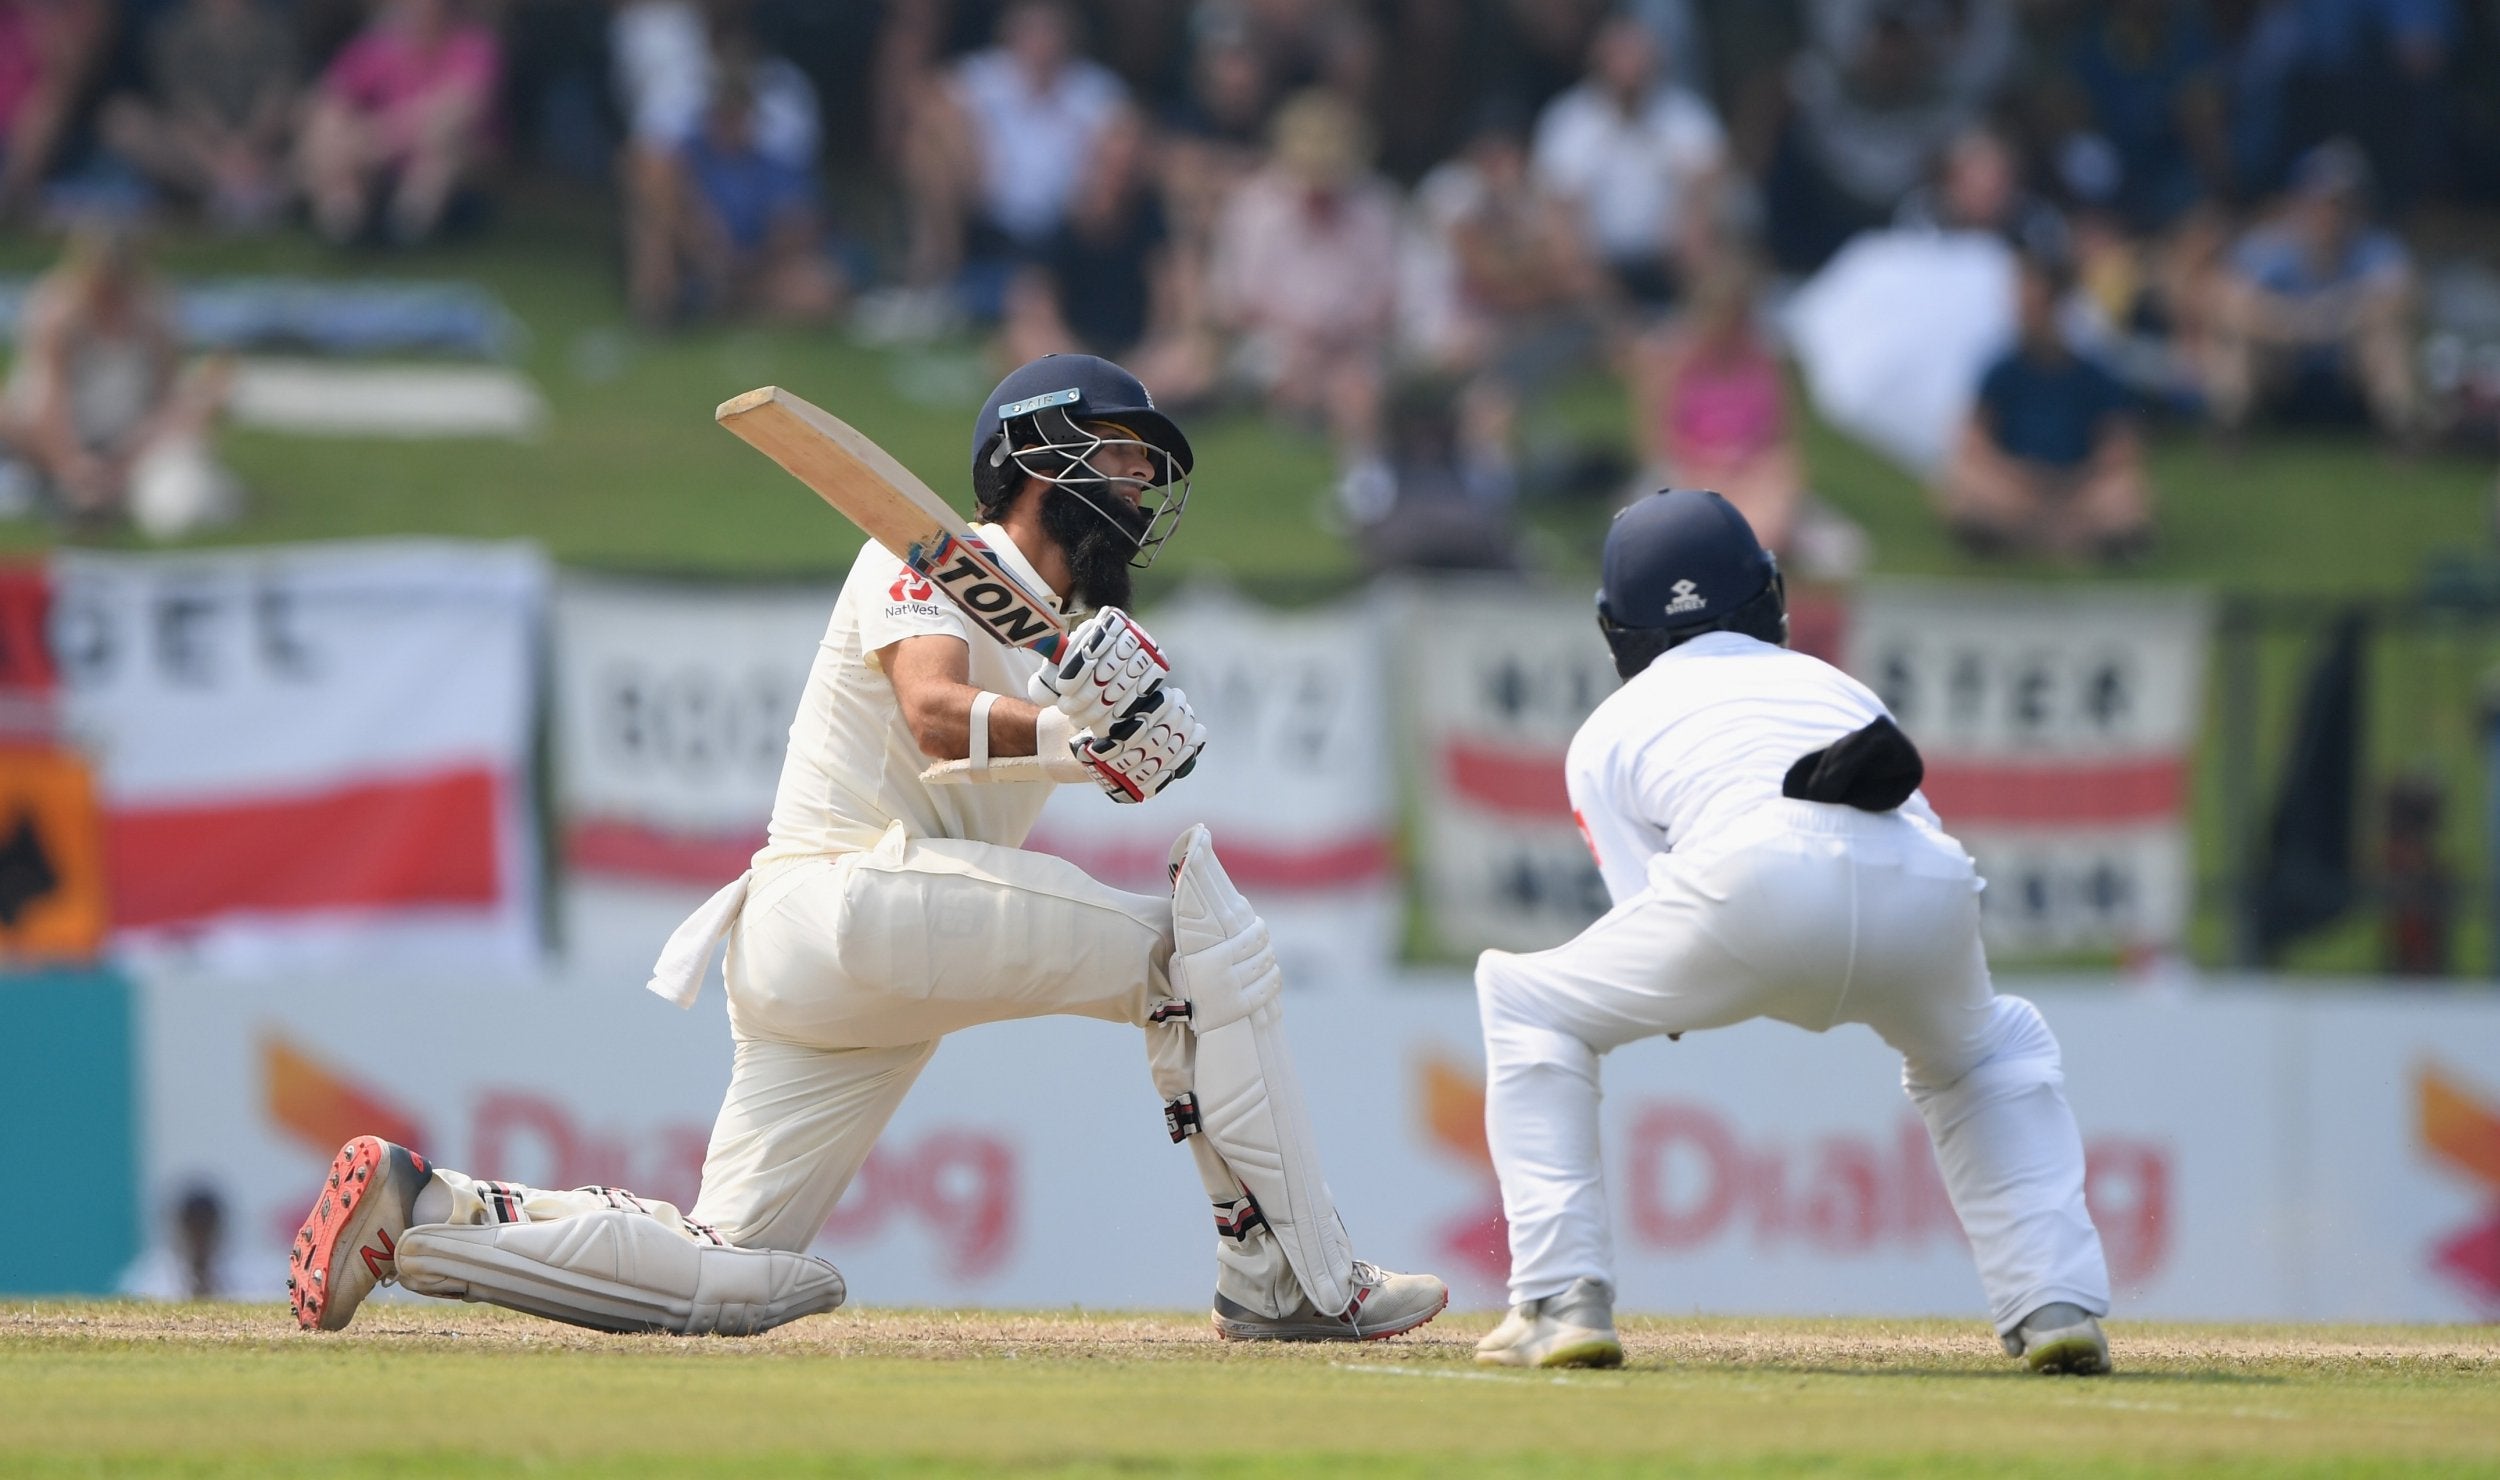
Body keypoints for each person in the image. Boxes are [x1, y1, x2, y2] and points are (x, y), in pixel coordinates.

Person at [288, 353, 1449, 1344]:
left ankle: (424, 1214)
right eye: (1117, 452)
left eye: (1148, 465)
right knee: (1196, 954)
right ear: (1032, 457)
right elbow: (933, 714)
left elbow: (1057, 751)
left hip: (850, 962)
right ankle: (1287, 1275)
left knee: (733, 1270)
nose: (1139, 481)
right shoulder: (927, 553)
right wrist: (1074, 735)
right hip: (847, 893)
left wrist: (1118, 749)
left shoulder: (1072, 641)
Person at [1470, 488, 2113, 1374]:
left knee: (1527, 1003)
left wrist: (1729, 977)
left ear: (1614, 630)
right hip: (1923, 880)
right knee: (1988, 1055)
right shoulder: (1835, 683)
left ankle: (1560, 1299)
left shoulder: (1606, 731)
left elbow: (1648, 915)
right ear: (1771, 593)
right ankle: (2056, 1303)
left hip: (1752, 880)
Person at [0, 224, 236, 536]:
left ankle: (104, 492)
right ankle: (57, 486)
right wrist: (71, 465)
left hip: (125, 434)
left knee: (196, 414)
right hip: (51, 436)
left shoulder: (154, 313)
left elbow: (166, 402)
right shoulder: (58, 310)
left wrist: (123, 464)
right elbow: (48, 401)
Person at [1937, 247, 2152, 562]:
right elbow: (1974, 439)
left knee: (2124, 496)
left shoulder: (2093, 373)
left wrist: (2078, 479)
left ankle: (2032, 538)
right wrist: (2017, 474)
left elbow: (2119, 445)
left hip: (2077, 487)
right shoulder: (2001, 369)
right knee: (1965, 483)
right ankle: (2067, 541)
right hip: (2017, 487)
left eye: (2031, 306)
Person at [2204, 140, 2420, 446]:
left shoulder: (2377, 247)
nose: (2330, 214)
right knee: (2235, 343)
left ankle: (2401, 433)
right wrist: (2296, 322)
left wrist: (2324, 319)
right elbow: (2229, 301)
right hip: (2284, 370)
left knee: (2387, 340)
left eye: (2340, 204)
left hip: (2348, 372)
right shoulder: (2269, 246)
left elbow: (2398, 298)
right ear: (2299, 202)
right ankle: (2229, 431)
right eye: (2320, 202)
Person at [1529, 14, 1725, 311]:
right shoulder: (1568, 121)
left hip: (1671, 254)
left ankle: (1694, 328)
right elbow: (1559, 209)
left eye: (1637, 57)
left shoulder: (1684, 114)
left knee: (1712, 252)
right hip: (1597, 260)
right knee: (1563, 255)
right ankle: (1619, 331)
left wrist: (1691, 224)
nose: (1630, 68)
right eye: (1620, 57)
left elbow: (1707, 182)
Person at [296, 0, 501, 246]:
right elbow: (330, 97)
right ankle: (345, 224)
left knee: (442, 144)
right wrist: (346, 136)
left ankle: (405, 229)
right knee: (329, 125)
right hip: (378, 158)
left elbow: (457, 110)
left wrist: (376, 141)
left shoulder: (473, 47)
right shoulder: (378, 45)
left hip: (452, 163)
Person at [98, 0, 301, 228]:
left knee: (305, 111)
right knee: (123, 119)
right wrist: (222, 157)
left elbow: (279, 96)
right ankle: (233, 191)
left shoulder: (276, 28)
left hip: (265, 149)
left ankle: (252, 191)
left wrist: (249, 145)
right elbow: (182, 104)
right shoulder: (172, 32)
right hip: (198, 149)